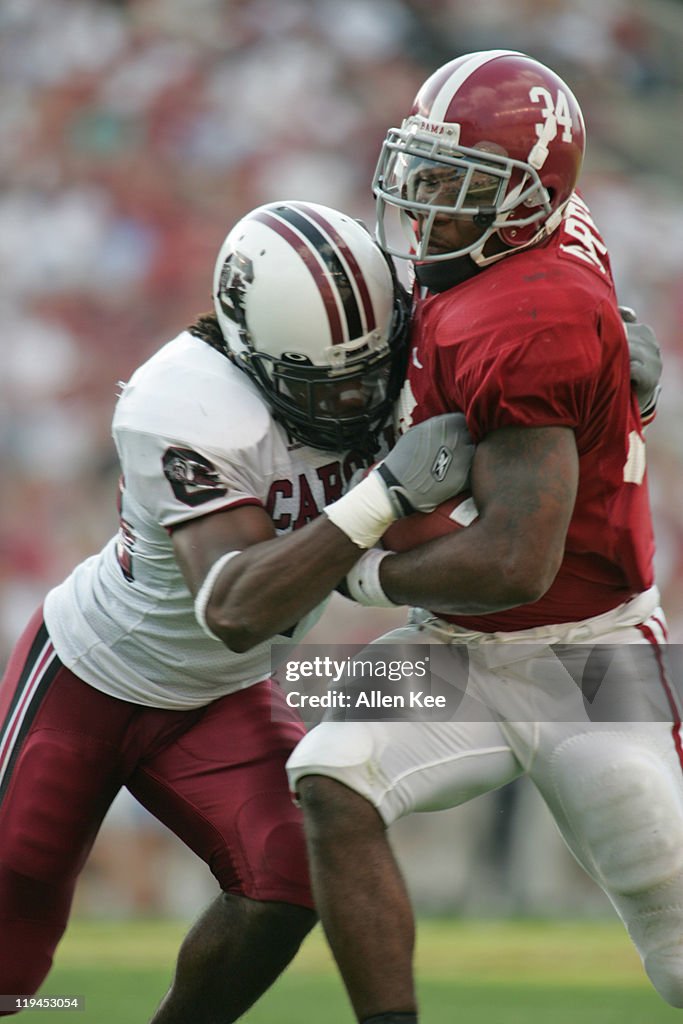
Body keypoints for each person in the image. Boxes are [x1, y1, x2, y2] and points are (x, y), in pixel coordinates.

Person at [0, 200, 477, 1020]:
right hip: (91, 673)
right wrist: (382, 495)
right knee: (12, 905)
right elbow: (237, 605)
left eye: (376, 368)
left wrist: (605, 389)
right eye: (327, 384)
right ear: (254, 354)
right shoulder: (181, 401)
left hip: (218, 696)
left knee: (288, 880)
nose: (361, 400)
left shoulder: (391, 347)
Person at [285, 50, 682, 1024]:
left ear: (528, 201)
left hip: (585, 653)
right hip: (455, 644)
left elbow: (513, 563)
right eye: (420, 170)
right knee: (327, 778)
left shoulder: (524, 311)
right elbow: (612, 353)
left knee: (672, 933)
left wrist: (363, 574)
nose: (423, 201)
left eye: (456, 184)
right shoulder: (539, 244)